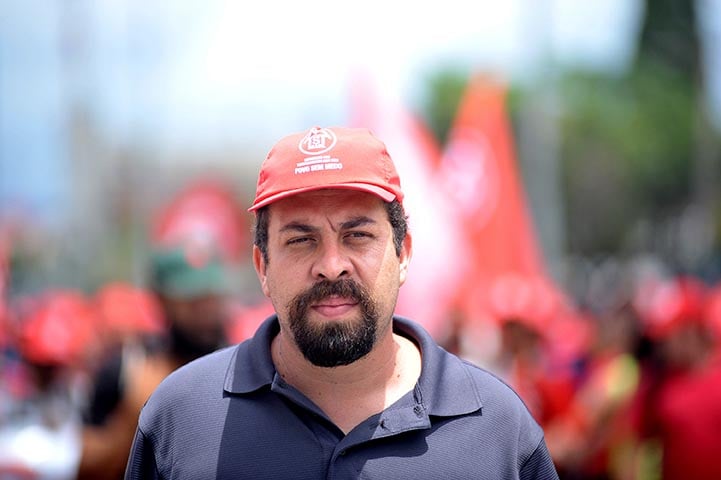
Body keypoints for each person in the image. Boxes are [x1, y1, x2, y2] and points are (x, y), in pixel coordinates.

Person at [124, 126, 559, 479]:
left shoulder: (498, 426)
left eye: (357, 236)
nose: (331, 266)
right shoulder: (179, 418)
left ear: (403, 253)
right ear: (262, 266)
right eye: (301, 240)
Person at [78, 247, 232, 480]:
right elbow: (84, 462)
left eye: (210, 297)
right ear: (161, 300)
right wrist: (135, 425)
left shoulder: (243, 370)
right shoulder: (129, 369)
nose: (205, 310)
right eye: (192, 300)